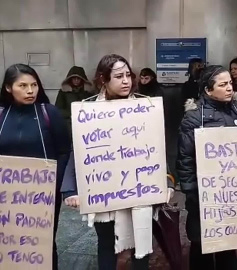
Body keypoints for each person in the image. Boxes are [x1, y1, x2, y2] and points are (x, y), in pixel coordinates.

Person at [61, 54, 175, 270]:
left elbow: (155, 149)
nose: (126, 81)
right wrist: (70, 190)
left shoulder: (145, 108)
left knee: (141, 244)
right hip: (105, 192)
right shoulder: (88, 112)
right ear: (103, 79)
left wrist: (168, 182)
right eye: (119, 76)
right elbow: (79, 152)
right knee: (106, 243)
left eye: (128, 75)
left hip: (140, 189)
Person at [0, 64, 70, 270]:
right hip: (6, 195)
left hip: (44, 194)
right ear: (9, 88)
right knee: (9, 242)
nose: (30, 91)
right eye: (23, 85)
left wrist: (55, 185)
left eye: (34, 85)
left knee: (42, 244)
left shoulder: (50, 113)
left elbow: (65, 151)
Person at [177, 65, 237, 270]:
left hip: (233, 193)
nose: (230, 88)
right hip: (204, 195)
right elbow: (185, 158)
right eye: (223, 84)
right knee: (202, 244)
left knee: (228, 246)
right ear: (208, 90)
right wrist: (191, 191)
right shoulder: (194, 118)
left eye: (230, 83)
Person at [55, 66, 94, 134]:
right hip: (69, 124)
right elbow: (58, 110)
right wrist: (72, 114)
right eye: (74, 78)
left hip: (85, 123)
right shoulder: (64, 92)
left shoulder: (88, 92)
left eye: (78, 78)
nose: (76, 80)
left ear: (82, 79)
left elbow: (93, 108)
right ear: (70, 79)